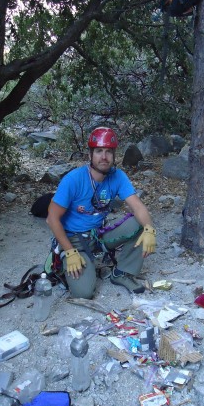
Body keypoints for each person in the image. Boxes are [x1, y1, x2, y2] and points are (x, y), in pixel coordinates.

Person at [46, 127, 156, 299]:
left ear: (114, 156)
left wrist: (149, 229)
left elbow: (138, 207)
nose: (104, 157)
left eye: (108, 152)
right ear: (90, 155)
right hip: (74, 240)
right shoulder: (74, 179)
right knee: (83, 292)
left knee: (140, 223)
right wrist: (69, 251)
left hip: (97, 235)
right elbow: (52, 219)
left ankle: (122, 273)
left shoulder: (117, 176)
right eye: (98, 151)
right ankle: (68, 262)